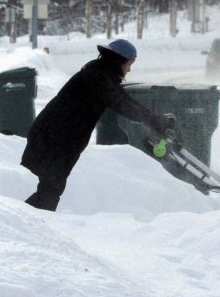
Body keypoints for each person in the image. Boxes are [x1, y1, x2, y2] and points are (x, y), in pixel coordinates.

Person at [20, 39, 174, 211]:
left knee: (51, 188)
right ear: (119, 60)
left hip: (60, 138)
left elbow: (124, 99)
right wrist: (153, 121)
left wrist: (154, 120)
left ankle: (28, 224)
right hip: (53, 137)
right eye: (129, 64)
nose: (129, 69)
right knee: (51, 188)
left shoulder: (102, 74)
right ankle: (24, 224)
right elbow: (120, 103)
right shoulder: (96, 77)